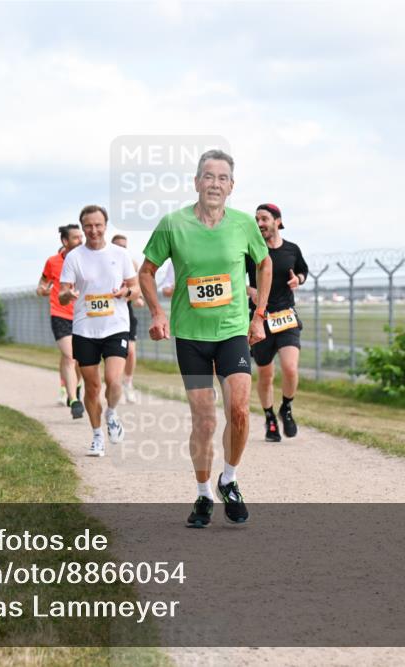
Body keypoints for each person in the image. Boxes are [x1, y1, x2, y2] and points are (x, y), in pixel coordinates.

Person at [138, 149, 272, 527]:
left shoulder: (245, 225)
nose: (214, 184)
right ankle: (202, 496)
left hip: (232, 331)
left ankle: (229, 480)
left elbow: (264, 264)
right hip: (191, 336)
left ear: (231, 186)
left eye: (222, 178)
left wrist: (259, 315)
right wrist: (157, 312)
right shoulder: (172, 224)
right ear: (196, 182)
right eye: (208, 177)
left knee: (240, 410)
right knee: (205, 421)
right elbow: (146, 271)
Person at [60, 205, 138, 456]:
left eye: (98, 225)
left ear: (106, 225)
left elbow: (135, 289)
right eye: (88, 226)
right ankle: (96, 436)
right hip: (85, 328)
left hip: (116, 326)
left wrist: (125, 292)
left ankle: (112, 413)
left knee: (113, 380)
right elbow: (63, 294)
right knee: (92, 387)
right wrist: (66, 294)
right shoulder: (74, 257)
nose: (93, 230)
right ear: (82, 227)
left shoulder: (120, 254)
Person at [247, 203, 309, 442]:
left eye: (264, 219)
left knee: (291, 368)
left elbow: (302, 271)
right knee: (265, 376)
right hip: (261, 319)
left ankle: (287, 407)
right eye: (257, 220)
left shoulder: (292, 249)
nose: (260, 224)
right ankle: (270, 418)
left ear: (277, 221)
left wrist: (298, 280)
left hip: (285, 317)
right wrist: (250, 290)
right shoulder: (252, 251)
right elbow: (237, 279)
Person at [39, 224, 86, 418]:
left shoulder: (88, 259)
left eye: (81, 237)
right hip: (60, 314)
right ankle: (74, 400)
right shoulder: (52, 262)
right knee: (70, 357)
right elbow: (42, 283)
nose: (80, 240)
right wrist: (42, 289)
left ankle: (76, 383)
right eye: (75, 238)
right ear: (65, 242)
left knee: (82, 360)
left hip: (83, 315)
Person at [112, 233, 145, 403]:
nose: (121, 249)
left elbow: (137, 288)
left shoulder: (132, 264)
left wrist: (137, 298)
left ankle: (128, 383)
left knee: (130, 351)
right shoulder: (103, 262)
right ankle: (114, 384)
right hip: (108, 314)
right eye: (118, 246)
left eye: (124, 246)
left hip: (126, 313)